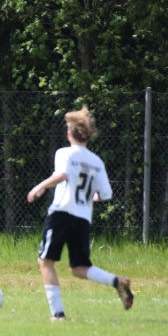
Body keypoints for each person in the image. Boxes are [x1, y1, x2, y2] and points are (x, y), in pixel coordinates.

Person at [26, 106, 132, 321]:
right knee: (79, 267)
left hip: (61, 213)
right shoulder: (96, 162)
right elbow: (106, 194)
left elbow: (62, 175)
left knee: (45, 261)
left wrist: (40, 186)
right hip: (82, 218)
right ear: (89, 136)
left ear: (69, 134)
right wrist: (87, 198)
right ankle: (116, 281)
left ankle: (58, 314)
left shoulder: (64, 153)